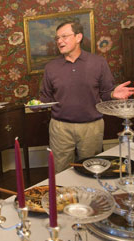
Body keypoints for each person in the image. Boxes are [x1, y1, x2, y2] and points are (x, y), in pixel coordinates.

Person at [39, 21, 134, 173]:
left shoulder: (98, 62)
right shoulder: (51, 67)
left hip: (92, 126)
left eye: (64, 36)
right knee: (60, 170)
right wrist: (37, 104)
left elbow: (105, 93)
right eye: (57, 38)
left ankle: (91, 197)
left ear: (78, 37)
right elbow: (45, 97)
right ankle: (65, 196)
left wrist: (112, 94)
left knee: (92, 169)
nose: (59, 41)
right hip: (60, 128)